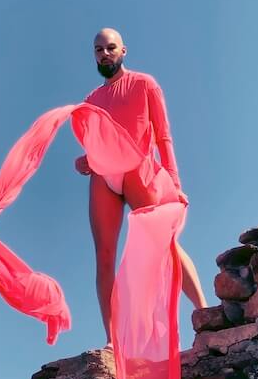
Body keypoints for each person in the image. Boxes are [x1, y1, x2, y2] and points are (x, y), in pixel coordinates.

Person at [75, 28, 207, 343]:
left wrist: (174, 182)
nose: (104, 54)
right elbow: (98, 144)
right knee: (104, 257)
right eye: (98, 50)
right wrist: (85, 160)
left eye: (110, 48)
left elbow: (163, 136)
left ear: (123, 51)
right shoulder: (90, 101)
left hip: (138, 169)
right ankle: (112, 341)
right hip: (103, 177)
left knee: (163, 242)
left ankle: (205, 313)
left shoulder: (144, 84)